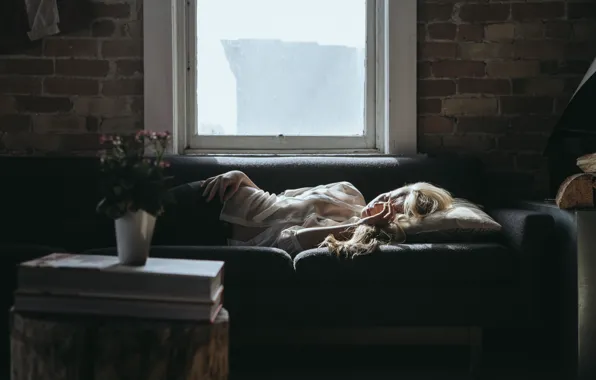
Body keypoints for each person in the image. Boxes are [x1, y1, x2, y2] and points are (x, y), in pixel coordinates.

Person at [198, 170, 453, 258]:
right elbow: (280, 199)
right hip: (221, 195)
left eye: (397, 207)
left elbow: (290, 239)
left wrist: (364, 224)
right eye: (393, 194)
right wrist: (241, 178)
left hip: (216, 239)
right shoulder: (348, 190)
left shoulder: (360, 235)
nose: (386, 200)